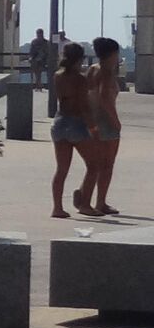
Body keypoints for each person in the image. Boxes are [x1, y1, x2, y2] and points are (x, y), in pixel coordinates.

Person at [52, 41, 94, 218]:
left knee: (61, 169)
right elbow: (84, 105)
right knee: (94, 165)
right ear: (79, 59)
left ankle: (57, 208)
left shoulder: (58, 76)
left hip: (59, 121)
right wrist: (93, 126)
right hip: (76, 122)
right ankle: (85, 204)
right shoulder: (80, 79)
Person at [83, 36, 124, 217]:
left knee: (96, 164)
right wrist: (116, 121)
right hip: (106, 122)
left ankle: (85, 196)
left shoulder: (93, 69)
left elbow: (86, 92)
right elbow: (105, 98)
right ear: (112, 54)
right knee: (107, 165)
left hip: (92, 120)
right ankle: (100, 202)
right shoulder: (106, 72)